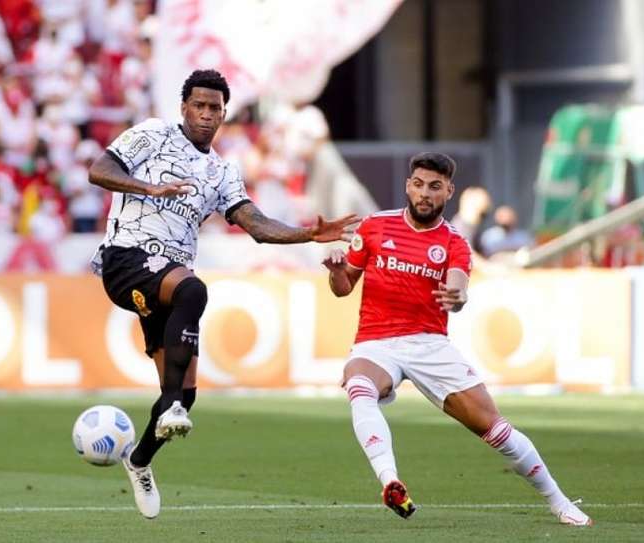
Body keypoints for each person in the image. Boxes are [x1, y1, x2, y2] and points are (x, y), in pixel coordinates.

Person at [87, 69, 358, 520]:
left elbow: (256, 225)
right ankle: (172, 405)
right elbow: (100, 170)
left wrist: (308, 234)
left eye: (215, 109)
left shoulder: (221, 171)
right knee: (193, 290)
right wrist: (148, 186)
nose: (207, 115)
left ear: (224, 114)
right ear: (184, 107)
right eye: (200, 106)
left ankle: (139, 461)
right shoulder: (152, 135)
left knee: (186, 392)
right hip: (125, 259)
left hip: (164, 280)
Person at [321, 152, 591, 526]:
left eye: (434, 187)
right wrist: (336, 272)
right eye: (418, 185)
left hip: (430, 344)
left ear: (449, 190)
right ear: (408, 186)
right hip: (376, 342)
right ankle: (391, 481)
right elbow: (343, 288)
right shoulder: (375, 227)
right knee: (359, 385)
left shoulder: (454, 243)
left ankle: (559, 501)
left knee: (495, 430)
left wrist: (458, 296)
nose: (424, 194)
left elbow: (458, 288)